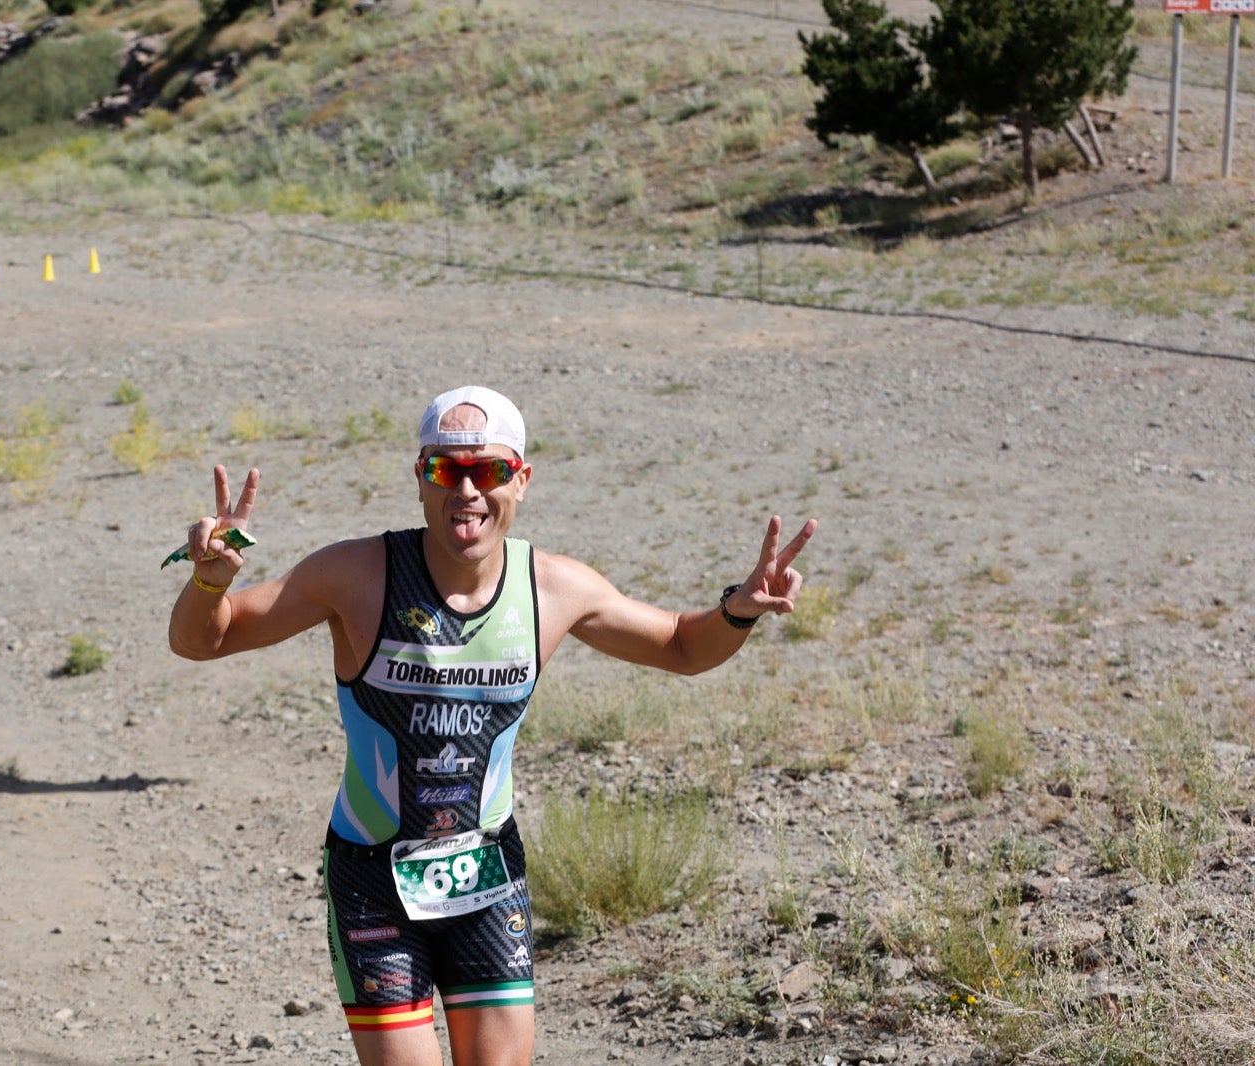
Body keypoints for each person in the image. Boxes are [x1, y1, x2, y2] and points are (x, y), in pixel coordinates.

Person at [168, 385, 815, 1066]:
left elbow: (683, 646)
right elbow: (205, 640)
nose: (467, 490)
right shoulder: (355, 574)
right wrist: (210, 583)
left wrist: (738, 611)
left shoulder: (555, 588)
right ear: (420, 478)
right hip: (372, 879)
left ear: (521, 481)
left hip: (487, 873)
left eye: (489, 471)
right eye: (446, 470)